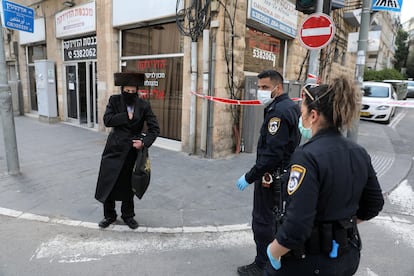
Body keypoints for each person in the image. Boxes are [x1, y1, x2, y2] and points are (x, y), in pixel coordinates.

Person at [265, 77, 385, 275]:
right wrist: (341, 226)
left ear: (314, 115)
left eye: (302, 112)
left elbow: (297, 227)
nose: (300, 118)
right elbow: (373, 204)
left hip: (309, 262)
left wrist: (273, 251)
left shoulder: (306, 157)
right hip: (347, 256)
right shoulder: (359, 152)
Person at [235, 70, 301, 276]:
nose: (260, 91)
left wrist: (249, 176)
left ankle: (262, 264)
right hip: (284, 174)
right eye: (259, 87)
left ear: (277, 87)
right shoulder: (289, 106)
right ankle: (276, 261)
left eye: (264, 87)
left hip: (271, 178)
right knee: (277, 219)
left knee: (263, 221)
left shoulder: (278, 112)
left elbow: (271, 154)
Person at [95, 72, 160, 229]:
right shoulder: (114, 100)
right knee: (109, 182)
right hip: (113, 148)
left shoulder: (144, 105)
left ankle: (128, 216)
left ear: (137, 90)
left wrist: (143, 142)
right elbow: (107, 120)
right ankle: (109, 215)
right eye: (127, 91)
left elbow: (154, 129)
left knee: (128, 185)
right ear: (122, 88)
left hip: (131, 151)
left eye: (133, 91)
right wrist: (126, 116)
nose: (130, 94)